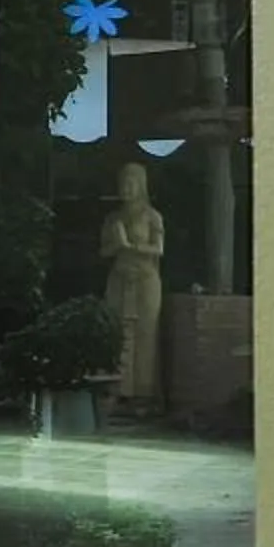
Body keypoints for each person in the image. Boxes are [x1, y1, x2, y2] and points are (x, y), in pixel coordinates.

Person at [103, 161, 167, 405]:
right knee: (118, 331)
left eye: (131, 184)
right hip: (119, 277)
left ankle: (144, 392)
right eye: (123, 184)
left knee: (146, 334)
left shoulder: (152, 216)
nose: (126, 189)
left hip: (145, 280)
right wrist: (117, 246)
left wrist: (132, 246)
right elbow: (104, 250)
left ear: (141, 186)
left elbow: (159, 249)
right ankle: (119, 388)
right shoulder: (113, 218)